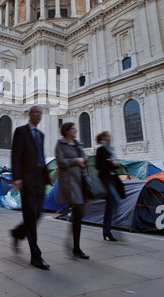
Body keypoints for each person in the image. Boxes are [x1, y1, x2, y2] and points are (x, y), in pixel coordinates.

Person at [10, 105, 51, 270]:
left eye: (41, 113)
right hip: (26, 180)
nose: (39, 115)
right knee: (30, 216)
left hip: (40, 179)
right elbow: (16, 155)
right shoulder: (21, 131)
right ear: (29, 114)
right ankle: (36, 256)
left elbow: (40, 156)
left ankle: (18, 233)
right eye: (36, 112)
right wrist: (17, 177)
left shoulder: (41, 134)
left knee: (38, 213)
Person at [55, 122, 89, 259]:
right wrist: (76, 160)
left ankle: (74, 245)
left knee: (78, 213)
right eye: (73, 128)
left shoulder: (78, 144)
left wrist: (82, 160)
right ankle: (76, 247)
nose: (76, 130)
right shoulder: (60, 144)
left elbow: (85, 161)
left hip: (80, 180)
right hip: (69, 182)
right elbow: (60, 161)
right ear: (67, 131)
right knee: (78, 211)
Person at [95, 131, 123, 241]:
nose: (110, 137)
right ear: (103, 138)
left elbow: (111, 164)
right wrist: (112, 163)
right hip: (106, 181)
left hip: (113, 180)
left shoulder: (111, 149)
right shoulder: (101, 150)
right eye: (108, 136)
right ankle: (109, 229)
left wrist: (115, 164)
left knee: (111, 205)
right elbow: (98, 165)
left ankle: (107, 231)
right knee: (115, 202)